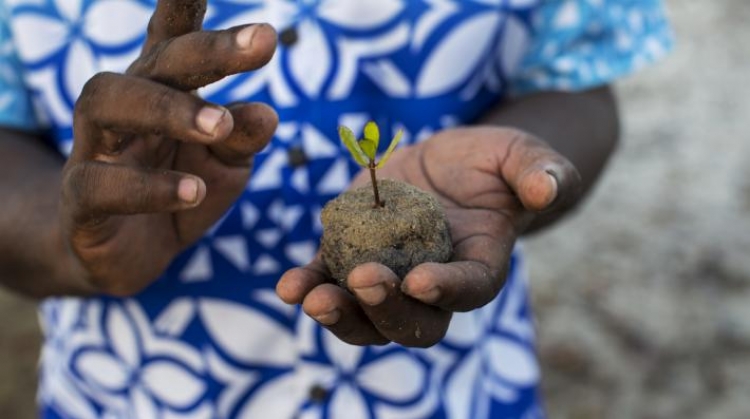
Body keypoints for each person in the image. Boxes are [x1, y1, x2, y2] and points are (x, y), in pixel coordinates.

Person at [0, 0, 672, 418]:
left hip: (453, 391)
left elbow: (579, 80)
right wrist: (69, 243)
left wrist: (517, 176)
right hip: (135, 394)